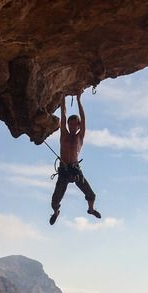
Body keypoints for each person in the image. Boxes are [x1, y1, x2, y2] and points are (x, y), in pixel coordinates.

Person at [50, 92, 101, 225]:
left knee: (92, 195)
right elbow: (63, 114)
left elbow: (83, 119)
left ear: (78, 126)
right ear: (68, 125)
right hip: (64, 170)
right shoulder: (64, 134)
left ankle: (91, 210)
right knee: (55, 201)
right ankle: (56, 212)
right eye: (70, 124)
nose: (73, 126)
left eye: (75, 124)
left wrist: (79, 99)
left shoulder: (80, 136)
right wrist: (62, 98)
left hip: (75, 169)